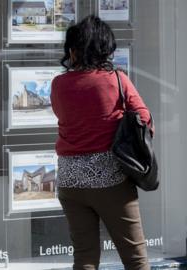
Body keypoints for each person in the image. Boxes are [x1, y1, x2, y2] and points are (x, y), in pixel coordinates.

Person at [50, 15, 153, 270]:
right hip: (110, 179)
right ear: (104, 49)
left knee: (84, 257)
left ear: (73, 51)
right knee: (135, 258)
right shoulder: (116, 80)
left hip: (70, 179)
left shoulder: (59, 84)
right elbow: (145, 119)